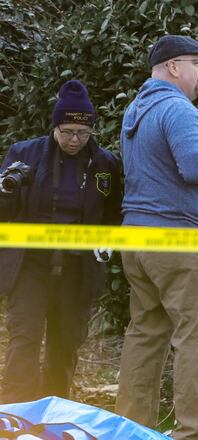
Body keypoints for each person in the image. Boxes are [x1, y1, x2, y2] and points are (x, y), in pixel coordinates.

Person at [115, 35, 198, 440]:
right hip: (181, 244)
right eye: (196, 63)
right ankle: (194, 431)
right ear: (173, 67)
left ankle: (132, 429)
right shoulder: (178, 109)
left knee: (145, 335)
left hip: (139, 241)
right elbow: (197, 166)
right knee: (196, 338)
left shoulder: (136, 109)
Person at [0, 80, 122, 402]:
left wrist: (107, 243)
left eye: (83, 134)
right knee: (24, 339)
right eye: (67, 131)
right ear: (54, 126)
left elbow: (112, 212)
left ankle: (54, 412)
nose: (74, 140)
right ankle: (14, 415)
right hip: (30, 265)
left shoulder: (104, 165)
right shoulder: (24, 153)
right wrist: (7, 188)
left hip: (76, 269)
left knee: (65, 343)